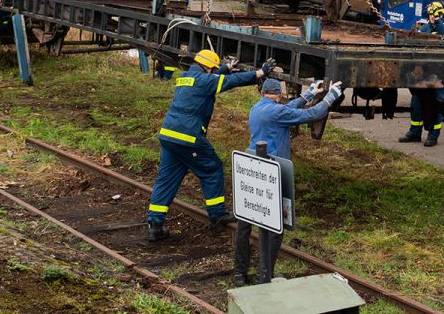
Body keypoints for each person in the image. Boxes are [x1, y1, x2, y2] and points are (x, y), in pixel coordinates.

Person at [147, 50, 273, 242]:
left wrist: (225, 69)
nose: (214, 71)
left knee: (166, 180)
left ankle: (154, 226)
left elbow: (210, 78)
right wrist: (259, 74)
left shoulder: (185, 77)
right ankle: (217, 214)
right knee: (212, 168)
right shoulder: (206, 81)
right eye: (213, 68)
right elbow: (230, 82)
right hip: (188, 138)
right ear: (207, 67)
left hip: (168, 136)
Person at [232, 77, 343, 287]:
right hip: (272, 171)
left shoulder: (258, 108)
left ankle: (239, 273)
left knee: (244, 224)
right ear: (279, 94)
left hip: (249, 167)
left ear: (263, 92)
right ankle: (266, 275)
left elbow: (287, 109)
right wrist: (330, 97)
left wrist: (308, 93)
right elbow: (312, 114)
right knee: (276, 226)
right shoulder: (277, 111)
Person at [399, 2, 444, 147]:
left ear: (441, 14)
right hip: (423, 76)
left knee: (436, 107)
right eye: (430, 14)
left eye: (434, 14)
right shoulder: (424, 28)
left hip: (438, 76)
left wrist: (438, 22)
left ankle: (433, 136)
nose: (432, 17)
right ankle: (414, 133)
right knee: (416, 105)